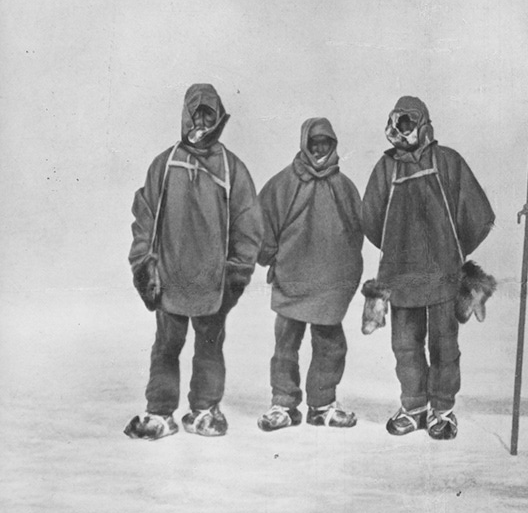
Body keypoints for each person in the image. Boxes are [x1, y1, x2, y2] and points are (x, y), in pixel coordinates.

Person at [125, 83, 261, 440]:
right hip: (170, 278)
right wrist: (144, 263)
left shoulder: (233, 168)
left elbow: (249, 224)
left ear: (218, 118)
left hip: (213, 281)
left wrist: (237, 272)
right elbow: (145, 216)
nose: (200, 122)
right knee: (166, 347)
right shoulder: (165, 163)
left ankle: (205, 409)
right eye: (195, 114)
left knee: (210, 347)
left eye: (208, 115)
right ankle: (159, 412)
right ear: (185, 115)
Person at [362, 96, 494, 440]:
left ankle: (442, 411)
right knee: (405, 346)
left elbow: (478, 214)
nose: (404, 129)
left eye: (410, 122)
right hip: (400, 275)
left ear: (423, 124)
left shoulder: (448, 161)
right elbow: (371, 218)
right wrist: (397, 248)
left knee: (444, 345)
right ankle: (414, 408)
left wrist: (451, 250)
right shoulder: (386, 168)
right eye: (399, 122)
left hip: (442, 276)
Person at [256, 117, 363, 431]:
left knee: (330, 345)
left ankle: (322, 404)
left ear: (333, 145)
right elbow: (262, 225)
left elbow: (357, 230)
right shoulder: (283, 183)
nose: (319, 148)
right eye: (314, 143)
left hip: (329, 285)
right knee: (286, 346)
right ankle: (283, 404)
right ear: (305, 143)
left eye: (325, 143)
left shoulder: (343, 186)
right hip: (292, 281)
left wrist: (344, 269)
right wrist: (272, 259)